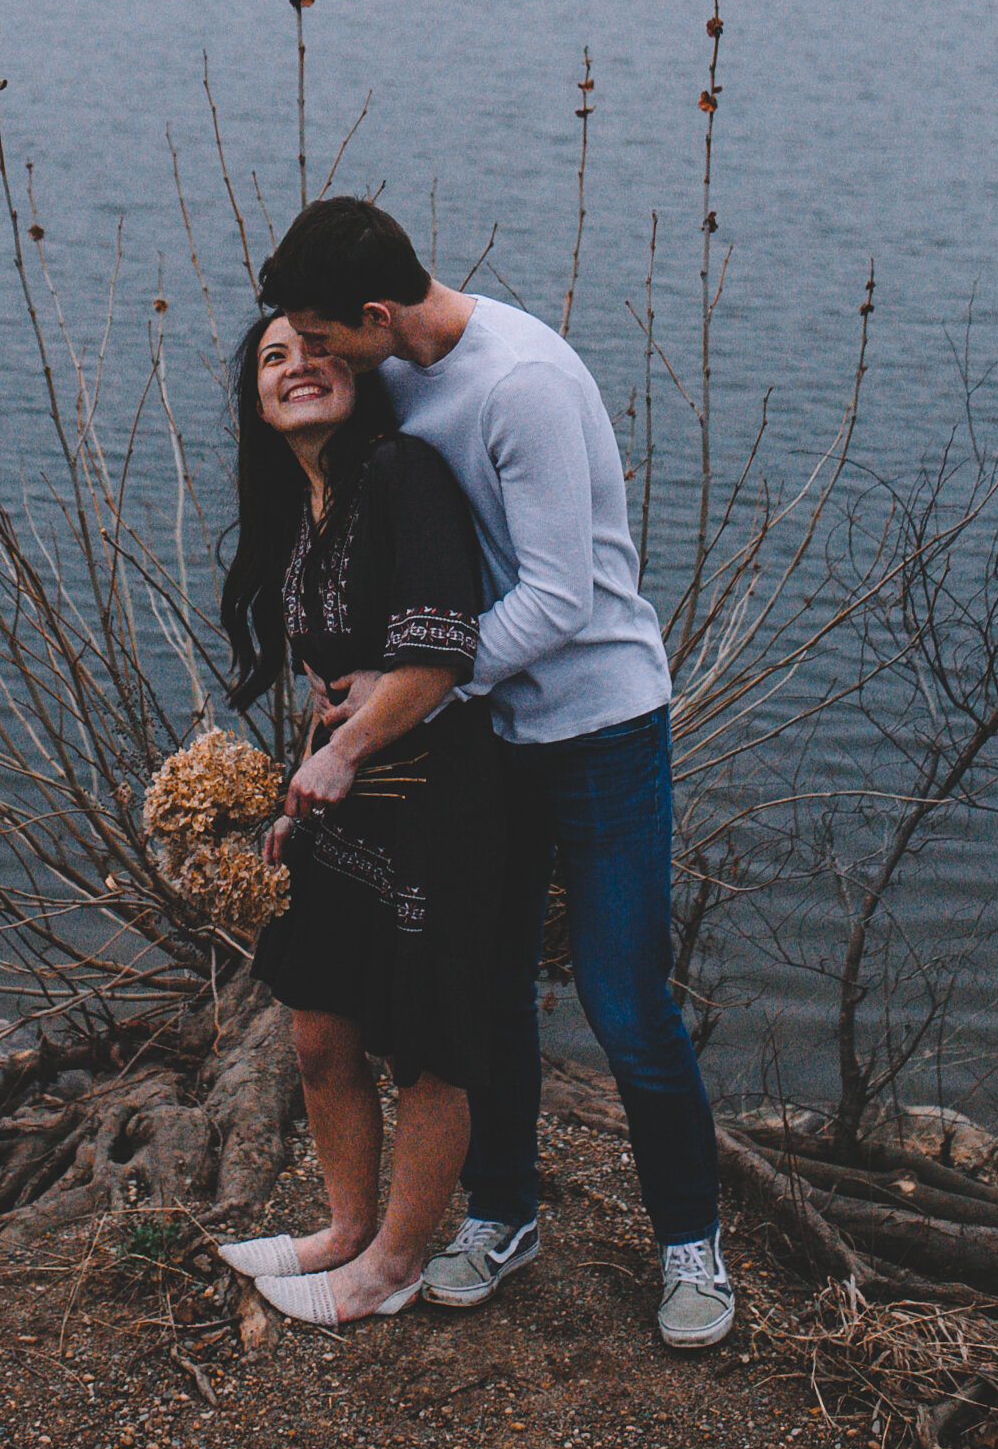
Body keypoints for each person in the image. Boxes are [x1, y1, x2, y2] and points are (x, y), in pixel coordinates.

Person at [257, 197, 733, 1350]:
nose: (315, 356)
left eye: (324, 336)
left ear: (376, 313)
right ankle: (504, 1213)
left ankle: (692, 1243)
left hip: (599, 724)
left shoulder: (521, 380)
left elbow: (563, 600)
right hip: (486, 739)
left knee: (626, 1001)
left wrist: (406, 685)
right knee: (484, 993)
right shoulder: (404, 374)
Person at [215, 311, 506, 1328]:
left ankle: (392, 1265)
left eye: (314, 346)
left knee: (421, 1045)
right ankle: (343, 1230)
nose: (297, 367)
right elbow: (333, 685)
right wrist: (300, 789)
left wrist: (340, 755)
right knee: (317, 1032)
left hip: (436, 804)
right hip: (341, 804)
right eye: (272, 358)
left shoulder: (402, 472)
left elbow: (440, 650)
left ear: (358, 359)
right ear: (256, 399)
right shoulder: (310, 508)